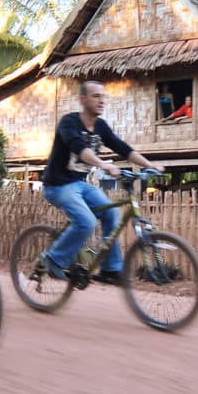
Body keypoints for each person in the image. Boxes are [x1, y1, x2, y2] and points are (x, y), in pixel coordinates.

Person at [41, 80, 164, 284]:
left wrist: (149, 165)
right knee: (87, 221)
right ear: (83, 99)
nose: (101, 101)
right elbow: (80, 148)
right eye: (96, 96)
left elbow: (122, 148)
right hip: (57, 185)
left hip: (79, 184)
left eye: (103, 96)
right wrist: (102, 164)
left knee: (111, 213)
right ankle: (54, 259)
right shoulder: (68, 122)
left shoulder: (100, 126)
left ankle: (110, 269)